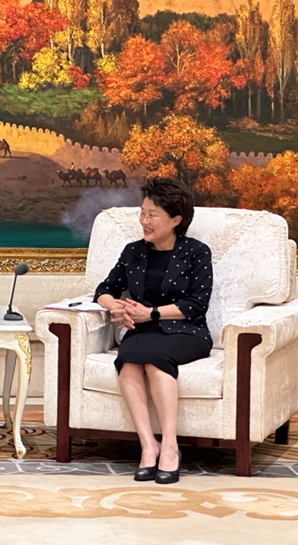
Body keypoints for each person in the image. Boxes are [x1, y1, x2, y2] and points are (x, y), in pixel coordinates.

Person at [94, 177, 212, 485]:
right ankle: (149, 446)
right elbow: (104, 290)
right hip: (143, 332)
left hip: (187, 331)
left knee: (156, 359)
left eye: (153, 215)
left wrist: (152, 313)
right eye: (143, 213)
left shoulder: (197, 252)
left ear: (176, 220)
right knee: (128, 360)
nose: (144, 221)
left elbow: (196, 304)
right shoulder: (133, 251)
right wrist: (117, 308)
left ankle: (170, 446)